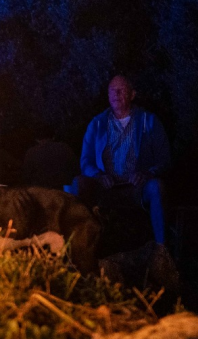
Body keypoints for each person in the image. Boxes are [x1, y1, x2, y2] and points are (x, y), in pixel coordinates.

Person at [73, 75, 170, 245]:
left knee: (156, 187)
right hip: (106, 187)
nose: (116, 94)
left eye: (121, 90)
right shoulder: (97, 124)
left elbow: (164, 159)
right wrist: (99, 175)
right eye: (112, 90)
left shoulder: (149, 121)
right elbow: (85, 161)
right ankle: (78, 246)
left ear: (132, 94)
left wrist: (146, 173)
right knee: (78, 183)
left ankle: (161, 249)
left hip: (136, 188)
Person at [21, 124, 79, 190]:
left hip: (41, 192)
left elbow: (26, 175)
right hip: (63, 191)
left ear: (36, 139)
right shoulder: (64, 148)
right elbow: (75, 169)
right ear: (53, 136)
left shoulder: (31, 152)